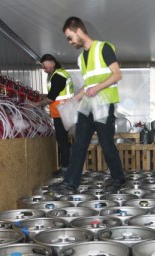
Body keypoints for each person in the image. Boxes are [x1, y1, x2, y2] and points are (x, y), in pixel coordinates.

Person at [49, 16, 125, 195]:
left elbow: (117, 75)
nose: (69, 41)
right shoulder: (81, 58)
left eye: (70, 37)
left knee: (106, 143)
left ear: (78, 31)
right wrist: (74, 99)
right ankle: (70, 183)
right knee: (79, 144)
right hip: (87, 104)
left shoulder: (103, 48)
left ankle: (118, 178)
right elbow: (88, 84)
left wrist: (97, 88)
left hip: (103, 102)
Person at [30, 54, 74, 176]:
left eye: (45, 66)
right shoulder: (57, 75)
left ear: (53, 63)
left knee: (62, 140)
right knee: (62, 139)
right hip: (61, 111)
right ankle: (68, 166)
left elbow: (51, 98)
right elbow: (54, 94)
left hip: (62, 112)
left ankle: (66, 168)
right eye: (43, 67)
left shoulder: (58, 76)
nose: (44, 69)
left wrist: (36, 104)